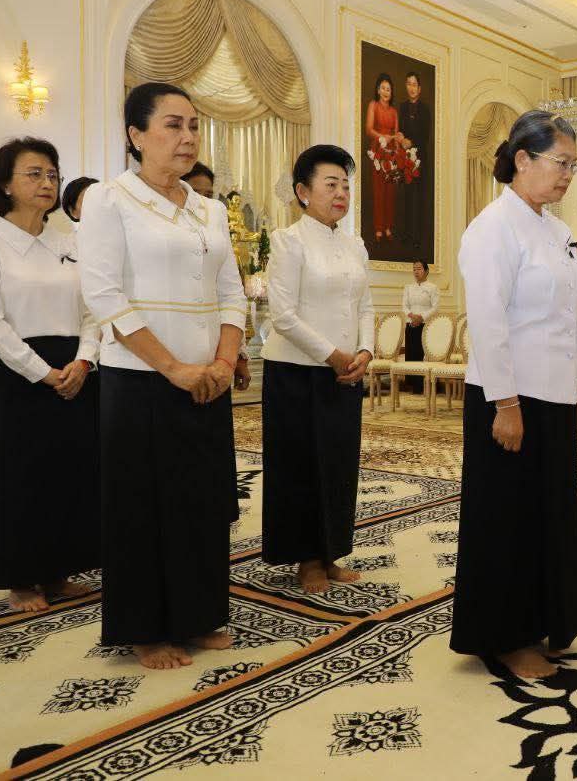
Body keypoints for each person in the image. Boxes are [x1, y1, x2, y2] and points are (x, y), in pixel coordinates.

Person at [79, 82, 246, 669]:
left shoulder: (209, 209)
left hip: (207, 379)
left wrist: (222, 361)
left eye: (193, 125)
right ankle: (145, 628)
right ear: (136, 134)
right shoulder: (110, 200)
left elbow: (232, 292)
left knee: (201, 501)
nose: (187, 137)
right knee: (141, 506)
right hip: (141, 380)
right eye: (173, 125)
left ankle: (199, 615)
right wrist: (172, 367)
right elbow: (104, 294)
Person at [451, 110, 577, 680]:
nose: (568, 175)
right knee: (506, 516)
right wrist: (505, 404)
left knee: (548, 513)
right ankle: (504, 637)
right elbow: (488, 321)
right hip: (509, 395)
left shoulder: (556, 230)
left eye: (574, 166)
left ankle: (544, 618)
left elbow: (569, 313)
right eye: (562, 163)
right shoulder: (492, 227)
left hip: (553, 392)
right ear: (524, 159)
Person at [0, 137, 101, 610]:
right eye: (34, 174)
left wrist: (84, 360)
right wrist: (41, 372)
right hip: (14, 372)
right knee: (17, 476)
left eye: (52, 174)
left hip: (74, 369)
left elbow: (93, 310)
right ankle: (21, 577)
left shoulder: (70, 243)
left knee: (69, 472)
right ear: (5, 183)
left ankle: (59, 570)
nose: (46, 183)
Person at [261, 145, 373, 593]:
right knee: (301, 466)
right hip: (297, 373)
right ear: (303, 192)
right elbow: (283, 316)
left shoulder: (355, 244)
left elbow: (365, 304)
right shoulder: (289, 241)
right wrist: (333, 355)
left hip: (345, 372)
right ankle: (306, 558)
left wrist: (364, 351)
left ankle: (331, 552)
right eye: (331, 184)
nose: (342, 193)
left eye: (346, 185)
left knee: (338, 464)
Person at [183, 162, 249, 392]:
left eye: (208, 194)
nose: (201, 199)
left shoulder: (216, 224)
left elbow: (230, 297)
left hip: (215, 357)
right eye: (195, 191)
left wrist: (236, 356)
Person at [397, 71, 432, 254]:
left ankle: (417, 238)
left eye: (414, 84)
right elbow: (399, 129)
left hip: (420, 158)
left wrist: (411, 142)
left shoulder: (425, 109)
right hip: (404, 158)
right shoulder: (402, 107)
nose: (411, 88)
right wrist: (401, 138)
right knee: (405, 196)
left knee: (418, 198)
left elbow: (425, 135)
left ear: (419, 88)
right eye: (408, 84)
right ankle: (406, 234)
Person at [365, 73, 402, 242]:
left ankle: (388, 227)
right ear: (378, 90)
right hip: (378, 150)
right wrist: (382, 137)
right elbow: (368, 129)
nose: (386, 92)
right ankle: (378, 228)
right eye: (383, 88)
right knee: (379, 190)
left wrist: (397, 153)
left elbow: (396, 134)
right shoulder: (373, 105)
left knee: (390, 192)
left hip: (391, 153)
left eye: (389, 89)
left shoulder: (394, 111)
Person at [401, 259, 439, 393]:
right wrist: (412, 316)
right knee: (411, 354)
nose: (416, 271)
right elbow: (404, 306)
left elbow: (435, 307)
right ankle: (411, 384)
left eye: (419, 269)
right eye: (414, 269)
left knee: (421, 354)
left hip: (425, 326)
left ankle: (422, 386)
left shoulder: (432, 287)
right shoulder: (408, 287)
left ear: (426, 271)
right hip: (411, 324)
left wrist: (421, 317)